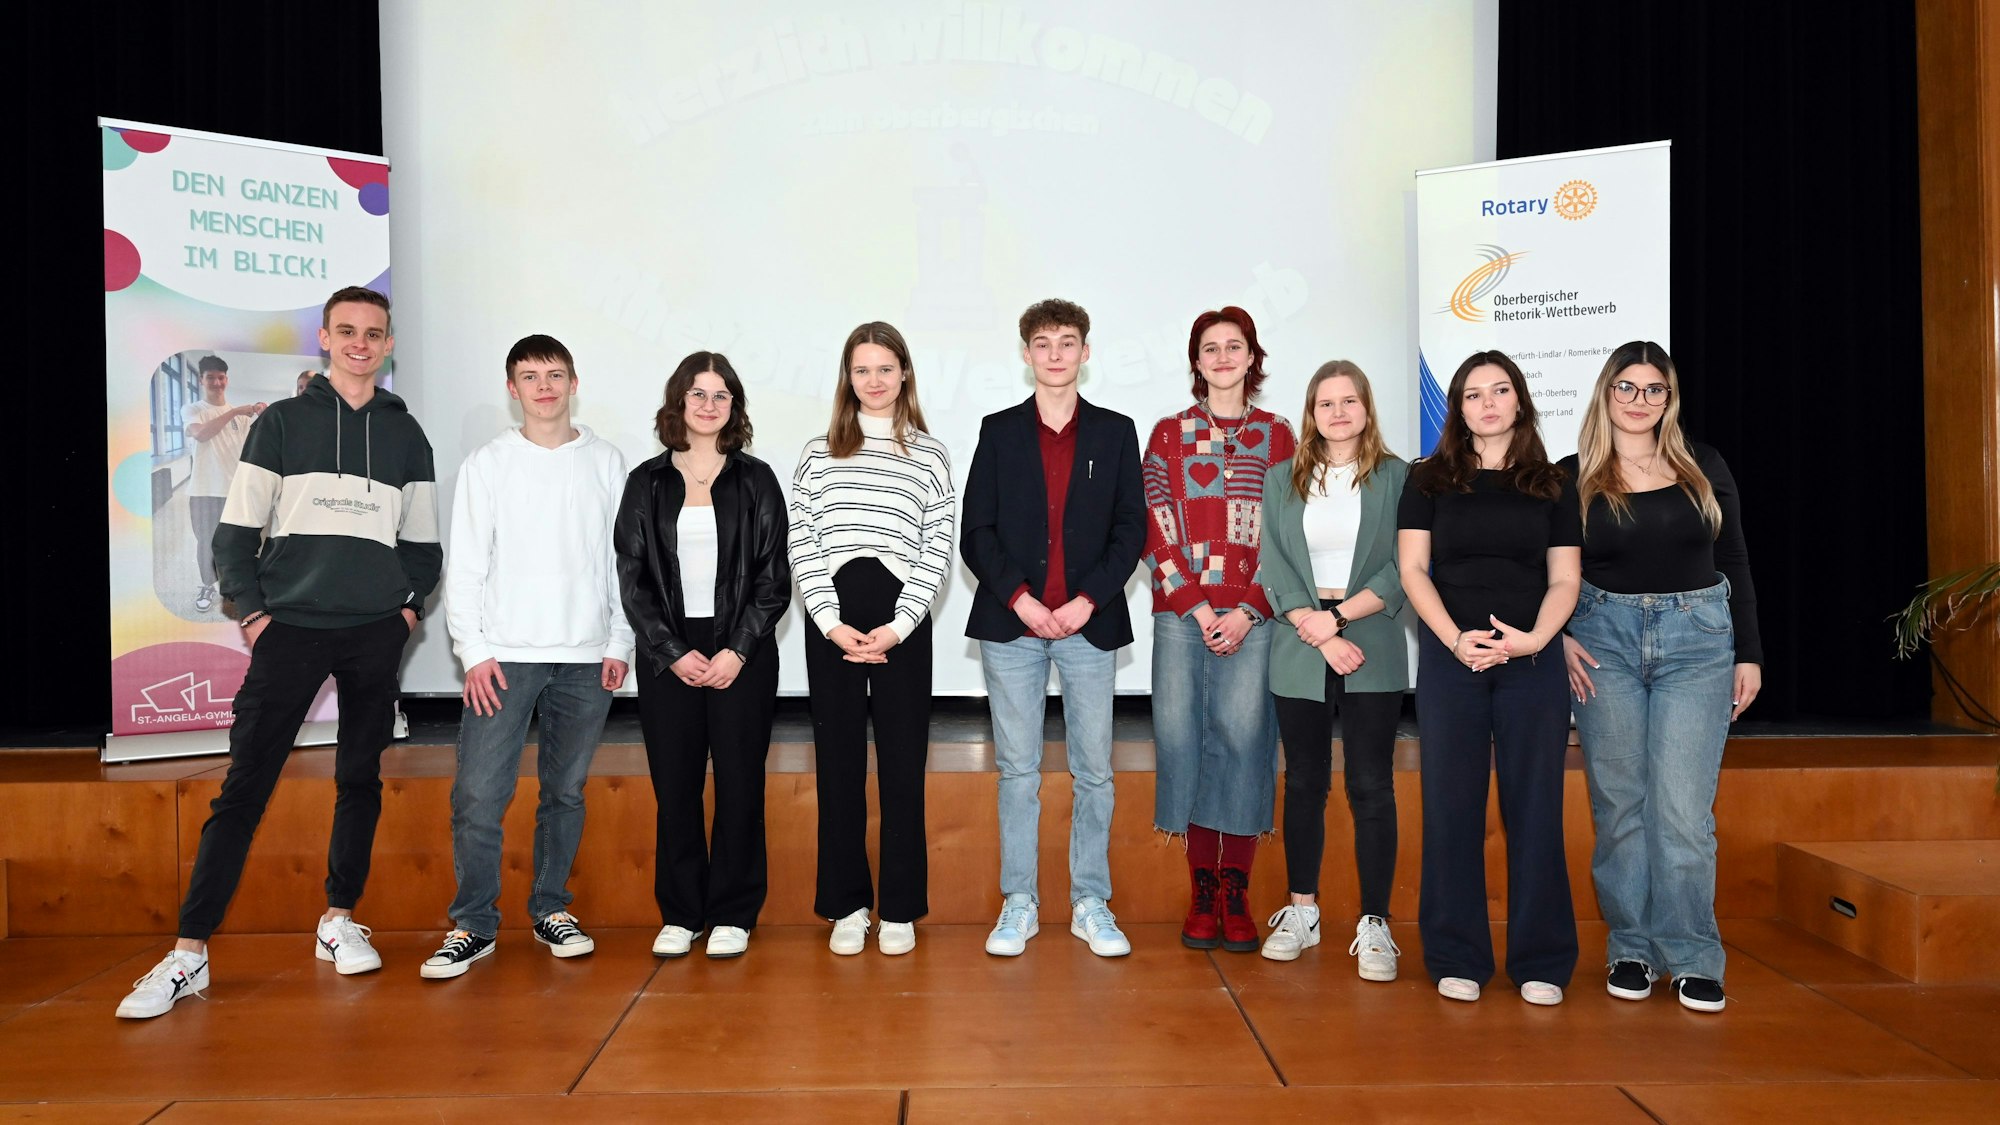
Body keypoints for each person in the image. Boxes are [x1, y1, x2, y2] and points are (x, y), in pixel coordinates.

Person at [118, 286, 441, 1019]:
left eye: (374, 333)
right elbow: (233, 535)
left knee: (358, 778)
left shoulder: (407, 436)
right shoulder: (283, 424)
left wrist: (407, 611)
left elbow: (423, 545)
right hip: (289, 628)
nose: (361, 343)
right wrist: (256, 613)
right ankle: (188, 953)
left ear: (388, 346)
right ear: (326, 340)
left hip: (372, 633)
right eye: (347, 331)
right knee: (245, 788)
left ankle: (337, 919)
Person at [420, 335, 633, 980]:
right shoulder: (488, 463)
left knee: (564, 793)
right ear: (512, 389)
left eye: (556, 374)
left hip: (587, 658)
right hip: (503, 660)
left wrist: (619, 641)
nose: (544, 386)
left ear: (575, 382)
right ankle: (475, 924)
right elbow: (466, 566)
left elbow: (623, 563)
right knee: (479, 796)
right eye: (530, 376)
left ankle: (550, 909)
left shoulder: (608, 461)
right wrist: (473, 652)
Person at [1560, 340, 1761, 1013]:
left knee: (1680, 810)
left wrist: (1749, 653)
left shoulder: (1703, 465)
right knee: (1620, 808)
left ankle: (1694, 954)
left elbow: (1732, 556)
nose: (1640, 400)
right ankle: (1633, 948)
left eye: (1654, 389)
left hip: (1697, 642)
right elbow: (1547, 571)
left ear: (1669, 399)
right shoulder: (1572, 474)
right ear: (1605, 393)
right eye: (1627, 387)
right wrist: (1557, 634)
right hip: (1601, 642)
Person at [962, 298, 1145, 958]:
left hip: (1088, 627)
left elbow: (1132, 530)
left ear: (1086, 352)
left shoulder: (1116, 432)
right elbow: (975, 532)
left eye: (1068, 342)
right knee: (1018, 770)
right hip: (1013, 628)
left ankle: (1090, 898)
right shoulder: (999, 430)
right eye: (1043, 343)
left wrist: (1088, 599)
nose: (1056, 353)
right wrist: (1020, 598)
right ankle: (1021, 900)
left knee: (1094, 769)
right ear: (1027, 354)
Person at [1397, 349, 1581, 1006]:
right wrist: (1453, 639)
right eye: (1474, 394)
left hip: (1531, 664)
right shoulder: (1428, 479)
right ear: (1459, 408)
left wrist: (1533, 640)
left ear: (1520, 400)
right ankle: (1457, 954)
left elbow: (1565, 579)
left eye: (1500, 390)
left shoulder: (1555, 483)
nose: (1488, 403)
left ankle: (1542, 959)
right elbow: (1413, 570)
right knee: (1451, 809)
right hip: (1454, 661)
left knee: (1536, 810)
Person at [617, 352, 789, 961]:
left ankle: (734, 912)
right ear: (679, 403)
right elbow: (632, 578)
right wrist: (671, 651)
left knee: (741, 785)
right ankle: (683, 912)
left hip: (742, 650)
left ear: (734, 407)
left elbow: (773, 579)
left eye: (721, 395)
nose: (709, 404)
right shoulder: (647, 481)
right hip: (670, 655)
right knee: (677, 786)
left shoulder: (757, 479)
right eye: (698, 394)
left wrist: (738, 649)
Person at [791, 322, 955, 956]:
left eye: (886, 368)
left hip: (901, 624)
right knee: (838, 771)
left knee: (901, 771)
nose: (875, 380)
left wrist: (899, 624)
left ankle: (899, 908)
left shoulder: (931, 455)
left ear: (904, 374)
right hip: (831, 620)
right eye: (862, 370)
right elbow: (802, 540)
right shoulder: (816, 452)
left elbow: (936, 549)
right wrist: (831, 622)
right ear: (847, 378)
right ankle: (847, 906)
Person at [1141, 307, 1295, 953]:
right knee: (1183, 738)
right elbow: (1155, 520)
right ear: (1196, 361)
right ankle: (1201, 884)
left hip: (1254, 616)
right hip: (1184, 615)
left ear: (1252, 357)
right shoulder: (1169, 433)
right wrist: (1201, 608)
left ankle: (1237, 886)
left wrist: (1247, 609)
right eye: (1211, 347)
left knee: (1245, 739)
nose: (1223, 356)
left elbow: (1289, 532)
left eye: (1235, 346)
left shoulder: (1281, 435)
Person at [1258, 361, 1409, 975]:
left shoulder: (1400, 478)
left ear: (1367, 409)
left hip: (1369, 633)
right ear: (1311, 413)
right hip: (1300, 638)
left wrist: (1340, 619)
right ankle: (1302, 910)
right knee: (1304, 783)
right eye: (1327, 403)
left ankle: (1375, 924)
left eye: (1350, 401)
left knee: (1371, 785)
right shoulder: (1281, 479)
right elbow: (1275, 565)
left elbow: (1406, 566)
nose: (1339, 413)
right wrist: (1318, 632)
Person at [180, 355, 263, 613]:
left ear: (227, 379)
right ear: (201, 380)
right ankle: (207, 586)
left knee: (236, 543)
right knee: (207, 542)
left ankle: (231, 589)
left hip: (235, 492)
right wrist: (236, 411)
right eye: (211, 378)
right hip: (204, 492)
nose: (217, 382)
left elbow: (254, 450)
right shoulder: (193, 410)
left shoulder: (243, 418)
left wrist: (264, 414)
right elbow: (201, 433)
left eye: (221, 377)